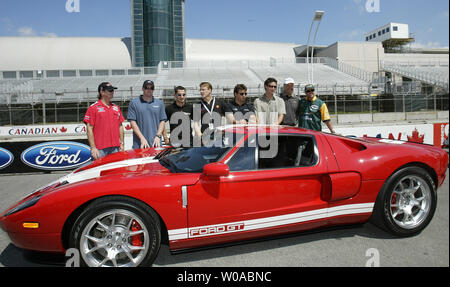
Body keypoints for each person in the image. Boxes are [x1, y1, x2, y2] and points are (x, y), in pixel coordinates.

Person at [83, 82, 124, 159]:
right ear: (102, 92)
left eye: (113, 90)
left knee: (114, 170)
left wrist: (122, 143)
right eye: (110, 90)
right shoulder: (93, 108)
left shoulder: (116, 107)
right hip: (100, 149)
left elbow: (120, 126)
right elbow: (89, 128)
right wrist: (93, 147)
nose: (112, 92)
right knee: (100, 171)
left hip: (116, 147)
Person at [127, 80, 167, 149]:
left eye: (151, 88)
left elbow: (162, 121)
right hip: (140, 144)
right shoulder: (134, 103)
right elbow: (132, 123)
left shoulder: (159, 103)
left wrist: (158, 136)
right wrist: (142, 138)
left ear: (153, 89)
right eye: (146, 87)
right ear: (142, 89)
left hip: (156, 144)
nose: (149, 90)